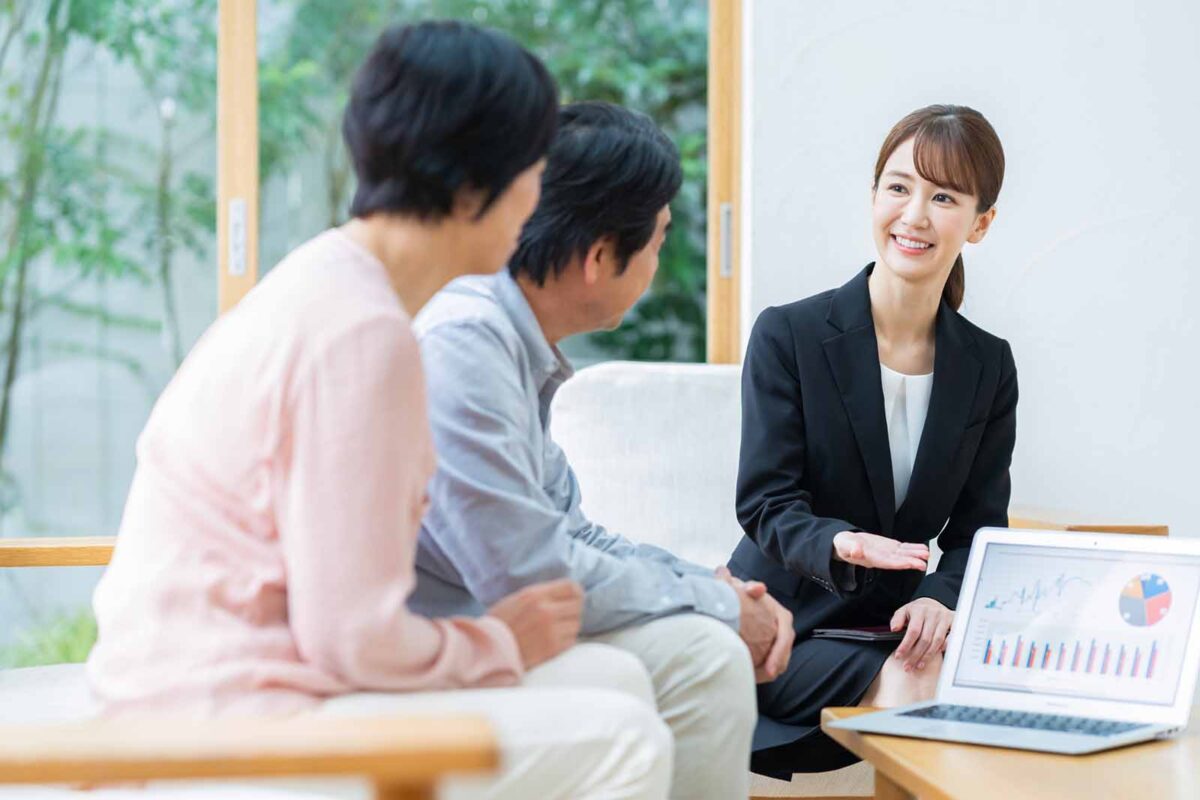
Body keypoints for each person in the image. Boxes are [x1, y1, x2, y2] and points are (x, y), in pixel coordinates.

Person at [86, 22, 672, 800]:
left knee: (614, 682)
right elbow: (353, 638)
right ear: (473, 185)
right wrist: (496, 644)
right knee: (625, 740)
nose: (540, 202)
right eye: (533, 171)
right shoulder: (363, 333)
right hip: (225, 718)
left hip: (224, 689)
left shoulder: (335, 285)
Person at [410, 100, 792, 800]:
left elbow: (573, 532)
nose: (658, 264)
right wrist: (719, 605)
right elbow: (535, 574)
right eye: (657, 241)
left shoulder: (510, 344)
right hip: (433, 647)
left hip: (488, 627)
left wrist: (711, 587)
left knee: (699, 654)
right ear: (598, 257)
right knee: (704, 657)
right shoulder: (465, 346)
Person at [731, 104, 1017, 777]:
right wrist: (841, 543)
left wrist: (941, 596)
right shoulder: (789, 335)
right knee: (920, 681)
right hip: (782, 627)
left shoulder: (988, 365)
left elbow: (979, 529)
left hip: (895, 626)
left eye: (943, 197)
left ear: (980, 223)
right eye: (898, 187)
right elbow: (766, 503)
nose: (914, 215)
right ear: (873, 196)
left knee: (976, 675)